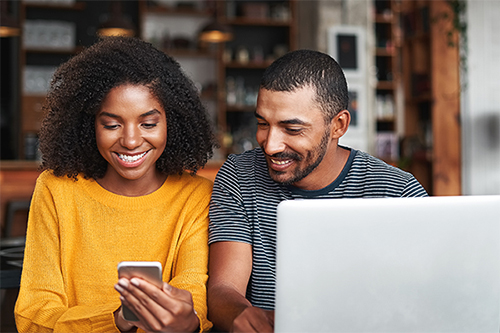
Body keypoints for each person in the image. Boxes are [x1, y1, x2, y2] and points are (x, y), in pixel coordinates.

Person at [207, 49, 428, 332]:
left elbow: (423, 297)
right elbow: (223, 288)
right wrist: (240, 315)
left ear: (338, 125)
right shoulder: (239, 176)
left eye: (292, 129)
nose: (270, 144)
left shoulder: (398, 192)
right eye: (263, 124)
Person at [14, 36, 217, 333]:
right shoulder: (56, 190)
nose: (131, 141)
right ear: (88, 125)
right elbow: (34, 316)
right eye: (111, 125)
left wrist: (187, 319)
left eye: (148, 124)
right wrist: (118, 319)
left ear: (172, 123)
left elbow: (193, 294)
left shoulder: (195, 196)